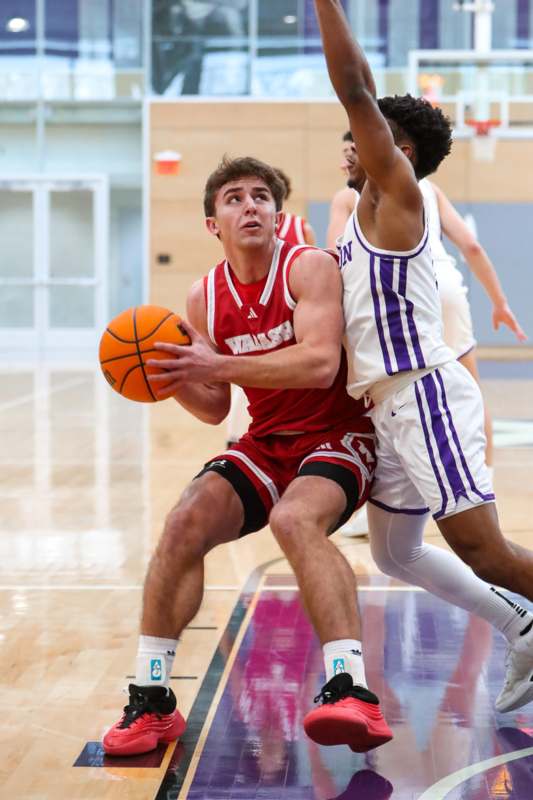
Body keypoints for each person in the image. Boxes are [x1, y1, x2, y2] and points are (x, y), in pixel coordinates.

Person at [102, 156, 392, 756]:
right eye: (234, 198)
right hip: (266, 443)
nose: (250, 206)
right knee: (184, 522)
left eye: (262, 196)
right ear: (214, 223)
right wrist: (169, 375)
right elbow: (213, 406)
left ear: (279, 215)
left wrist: (218, 365)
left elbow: (319, 365)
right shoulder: (204, 294)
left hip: (338, 436)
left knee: (294, 519)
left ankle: (351, 687)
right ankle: (151, 699)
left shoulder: (309, 267)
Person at [314, 0, 533, 716]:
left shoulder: (395, 197)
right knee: (394, 553)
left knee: (488, 554)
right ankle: (520, 625)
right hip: (389, 408)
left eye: (361, 138)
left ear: (393, 150)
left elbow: (354, 87)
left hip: (423, 394)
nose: (346, 145)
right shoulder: (358, 216)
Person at [226, 167, 317, 447]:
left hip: (293, 312)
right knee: (246, 379)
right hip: (259, 311)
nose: (251, 204)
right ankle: (234, 437)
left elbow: (316, 261)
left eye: (262, 194)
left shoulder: (300, 227)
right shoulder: (246, 231)